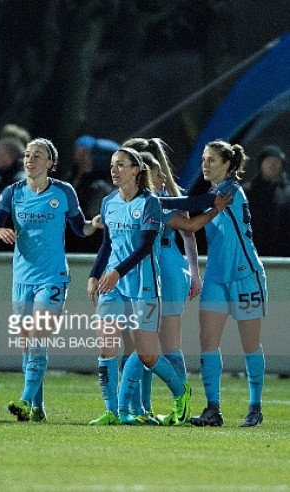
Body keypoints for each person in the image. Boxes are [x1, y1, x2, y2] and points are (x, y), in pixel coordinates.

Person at [116, 140, 230, 423]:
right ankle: (153, 407)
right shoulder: (149, 197)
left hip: (154, 270)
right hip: (163, 268)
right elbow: (189, 230)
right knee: (159, 345)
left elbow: (189, 226)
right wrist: (193, 271)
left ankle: (139, 407)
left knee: (144, 345)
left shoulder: (148, 200)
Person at [0, 137, 96, 422]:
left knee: (37, 337)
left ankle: (24, 400)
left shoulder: (63, 192)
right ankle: (37, 408)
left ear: (50, 163)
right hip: (22, 278)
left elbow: (79, 229)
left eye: (38, 156)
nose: (30, 160)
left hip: (53, 277)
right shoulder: (13, 192)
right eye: (27, 155)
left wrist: (94, 225)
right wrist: (1, 233)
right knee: (27, 344)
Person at [86, 148, 191, 426]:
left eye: (121, 165)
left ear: (136, 170)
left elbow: (146, 246)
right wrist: (94, 275)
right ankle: (113, 411)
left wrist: (117, 272)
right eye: (112, 165)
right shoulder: (109, 202)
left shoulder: (150, 203)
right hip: (114, 284)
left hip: (143, 285)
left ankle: (182, 394)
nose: (114, 169)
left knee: (146, 353)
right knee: (106, 347)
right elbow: (107, 244)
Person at [189, 140, 267, 427]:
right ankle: (213, 409)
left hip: (245, 274)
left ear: (227, 164)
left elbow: (191, 208)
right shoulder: (214, 193)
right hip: (217, 277)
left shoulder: (230, 192)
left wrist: (156, 201)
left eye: (211, 160)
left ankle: (255, 407)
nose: (205, 165)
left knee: (249, 344)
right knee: (208, 342)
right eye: (203, 160)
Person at [243, 144, 290, 256]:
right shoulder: (247, 191)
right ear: (261, 164)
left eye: (276, 161)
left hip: (283, 255)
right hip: (252, 254)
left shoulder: (288, 192)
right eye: (268, 161)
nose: (272, 165)